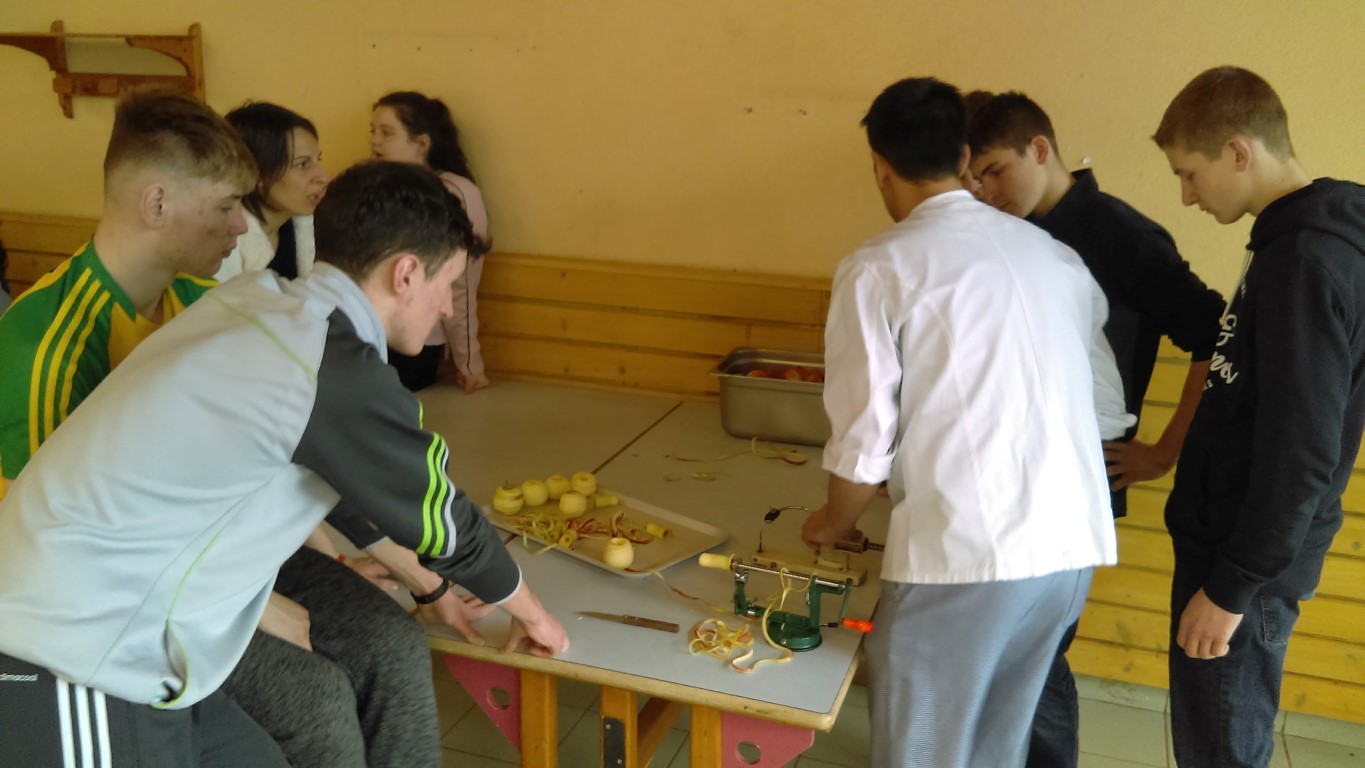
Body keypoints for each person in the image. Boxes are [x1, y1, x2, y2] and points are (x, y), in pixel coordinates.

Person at [0, 158, 570, 766]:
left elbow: (336, 474)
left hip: (150, 634)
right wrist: (536, 617)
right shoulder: (326, 360)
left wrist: (431, 586)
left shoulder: (263, 302)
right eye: (448, 285)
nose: (449, 309)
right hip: (76, 645)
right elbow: (444, 518)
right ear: (406, 273)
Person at [799, 77, 1133, 768]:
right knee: (994, 748)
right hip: (1070, 550)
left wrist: (832, 524)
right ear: (961, 157)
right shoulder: (1056, 257)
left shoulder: (877, 267)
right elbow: (1103, 406)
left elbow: (863, 442)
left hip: (966, 557)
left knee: (923, 753)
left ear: (879, 167)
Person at [212, 100, 482, 768]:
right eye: (302, 163)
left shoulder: (297, 270)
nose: (319, 175)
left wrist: (416, 581)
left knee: (394, 645)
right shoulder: (229, 308)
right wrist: (264, 601)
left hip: (247, 548)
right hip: (199, 573)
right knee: (318, 698)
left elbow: (307, 467)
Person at [965, 91, 1225, 768]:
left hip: (1079, 477)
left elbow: (1215, 336)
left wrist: (1165, 451)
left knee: (1037, 651)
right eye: (974, 178)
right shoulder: (1001, 230)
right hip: (1007, 471)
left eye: (994, 171)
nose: (985, 190)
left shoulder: (1121, 235)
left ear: (1039, 150)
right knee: (1002, 646)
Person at [1151, 66, 1365, 768]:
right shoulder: (1296, 242)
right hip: (1244, 552)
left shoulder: (1303, 259)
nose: (1187, 196)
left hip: (1244, 564)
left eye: (1189, 174)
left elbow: (1302, 451)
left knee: (1220, 751)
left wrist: (1231, 585)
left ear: (1238, 151)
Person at [370, 90, 491, 393]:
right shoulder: (373, 186)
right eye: (372, 132)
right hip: (367, 335)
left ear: (422, 143)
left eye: (386, 133)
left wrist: (469, 363)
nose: (375, 142)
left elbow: (460, 285)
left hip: (415, 343)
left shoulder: (454, 192)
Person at [215, 101, 330, 281]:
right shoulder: (221, 243)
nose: (323, 177)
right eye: (302, 165)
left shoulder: (301, 226)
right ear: (256, 172)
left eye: (318, 160)